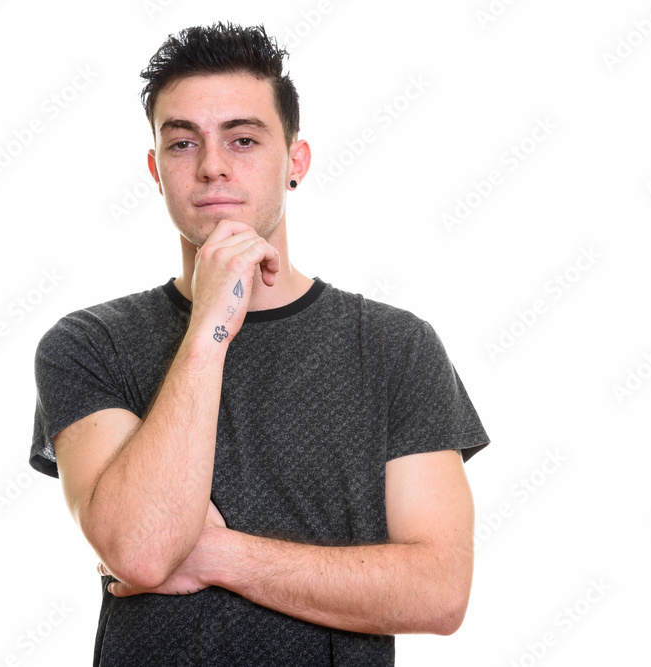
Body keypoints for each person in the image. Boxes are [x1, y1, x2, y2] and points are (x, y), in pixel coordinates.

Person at [29, 21, 490, 666]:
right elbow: (140, 550)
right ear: (156, 170)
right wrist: (209, 326)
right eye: (182, 143)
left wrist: (217, 555)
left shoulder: (396, 347)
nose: (212, 165)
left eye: (242, 139)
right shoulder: (88, 344)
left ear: (295, 161)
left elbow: (438, 593)